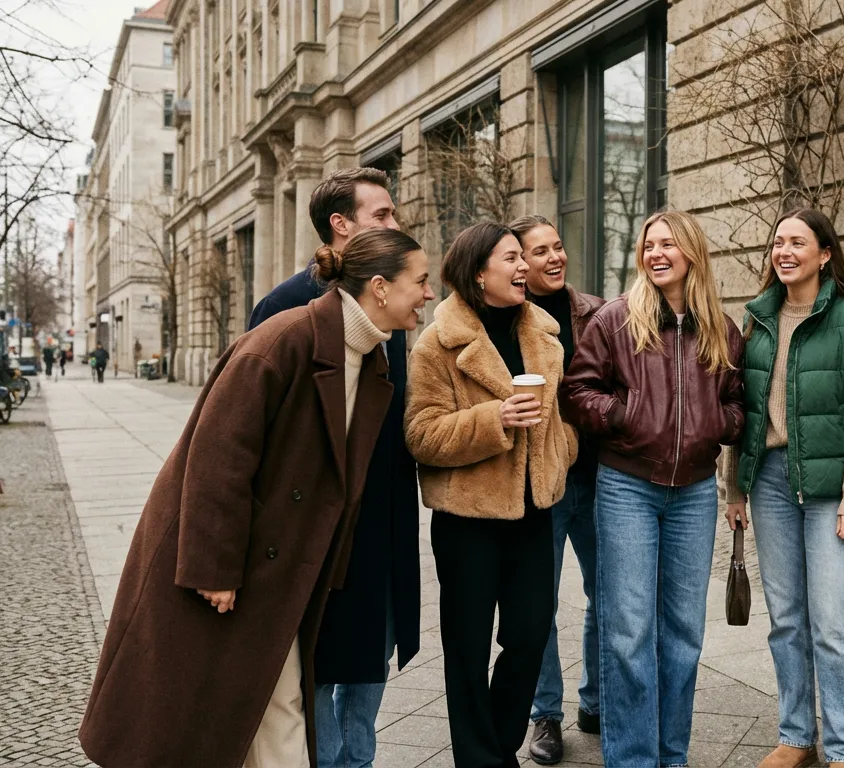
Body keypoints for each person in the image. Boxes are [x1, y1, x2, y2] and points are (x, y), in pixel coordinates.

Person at [79, 227, 435, 767]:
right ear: (381, 287)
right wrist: (215, 568)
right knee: (215, 716)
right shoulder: (283, 340)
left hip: (282, 572)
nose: (430, 294)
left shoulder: (371, 356)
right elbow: (216, 459)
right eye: (422, 281)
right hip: (229, 569)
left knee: (276, 712)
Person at [248, 166, 424, 768]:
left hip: (379, 518)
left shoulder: (391, 301)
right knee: (315, 672)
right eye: (383, 215)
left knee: (370, 667)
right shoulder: (283, 309)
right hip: (315, 532)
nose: (395, 224)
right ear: (339, 226)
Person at [562, 210, 745, 768]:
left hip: (693, 492)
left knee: (685, 634)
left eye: (668, 243)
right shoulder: (616, 320)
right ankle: (633, 758)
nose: (656, 253)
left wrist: (720, 424)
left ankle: (672, 754)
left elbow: (739, 401)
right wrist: (627, 415)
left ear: (692, 253)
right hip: (627, 487)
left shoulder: (722, 328)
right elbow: (578, 390)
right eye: (649, 244)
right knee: (628, 631)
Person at [721, 209, 844, 768]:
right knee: (787, 619)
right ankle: (797, 737)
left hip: (831, 488)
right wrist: (735, 490)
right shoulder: (758, 321)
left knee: (834, 625)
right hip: (769, 482)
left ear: (825, 254)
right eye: (778, 242)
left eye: (798, 242)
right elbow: (742, 413)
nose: (785, 251)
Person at [404, 221, 577, 768]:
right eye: (512, 259)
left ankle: (497, 748)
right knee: (468, 649)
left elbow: (564, 423)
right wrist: (492, 419)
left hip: (532, 513)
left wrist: (558, 453)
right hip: (467, 520)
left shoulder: (543, 335)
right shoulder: (437, 342)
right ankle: (481, 761)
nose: (524, 266)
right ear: (479, 273)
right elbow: (422, 435)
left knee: (528, 637)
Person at [509, 215, 606, 766]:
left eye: (558, 246)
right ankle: (544, 713)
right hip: (541, 485)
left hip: (598, 479)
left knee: (608, 594)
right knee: (537, 603)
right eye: (539, 251)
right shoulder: (510, 319)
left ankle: (596, 702)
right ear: (519, 261)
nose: (554, 258)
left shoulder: (594, 312)